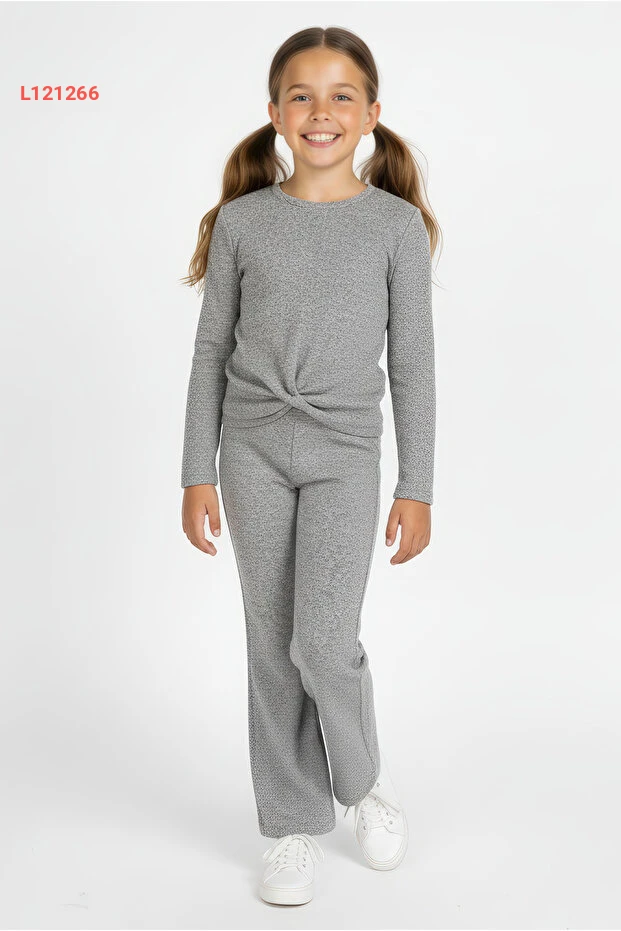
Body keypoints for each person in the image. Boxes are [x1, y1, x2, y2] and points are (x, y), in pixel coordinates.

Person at [180, 25, 440, 907]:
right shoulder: (242, 223)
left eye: (340, 95)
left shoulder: (394, 226)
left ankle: (362, 784)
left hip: (343, 454)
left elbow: (413, 364)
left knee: (321, 643)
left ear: (370, 114)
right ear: (274, 113)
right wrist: (196, 469)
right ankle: (290, 823)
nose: (320, 111)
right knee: (270, 642)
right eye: (301, 94)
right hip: (250, 450)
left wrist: (416, 485)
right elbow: (210, 351)